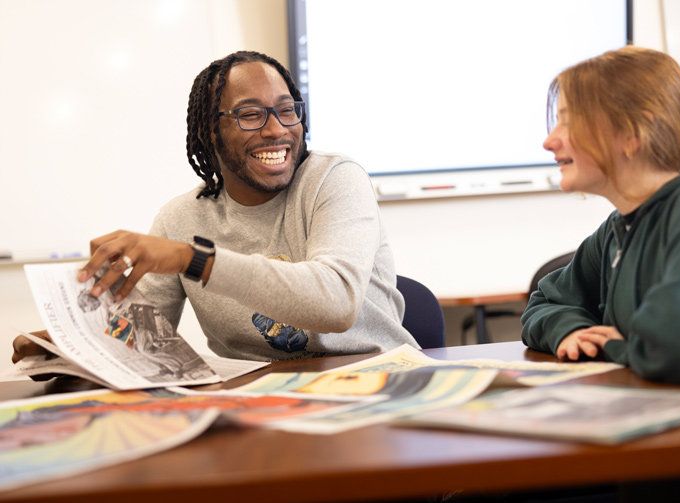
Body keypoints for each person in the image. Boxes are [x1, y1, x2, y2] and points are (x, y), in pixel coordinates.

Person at [13, 50, 417, 364]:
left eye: (286, 109)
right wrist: (74, 344)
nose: (277, 129)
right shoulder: (180, 219)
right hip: (261, 407)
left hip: (378, 385)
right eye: (250, 115)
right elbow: (140, 339)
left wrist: (194, 259)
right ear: (210, 131)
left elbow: (335, 304)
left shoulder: (335, 178)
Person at [521, 46, 680, 384]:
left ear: (633, 134)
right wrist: (573, 332)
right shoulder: (618, 226)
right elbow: (543, 302)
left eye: (568, 121)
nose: (549, 141)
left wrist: (617, 348)